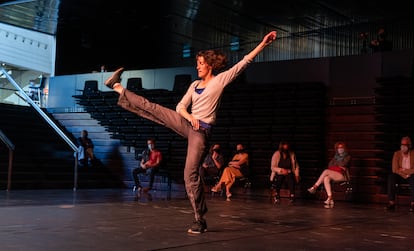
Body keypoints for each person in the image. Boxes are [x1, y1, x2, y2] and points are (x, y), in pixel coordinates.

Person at [103, 30, 277, 234]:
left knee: (190, 173)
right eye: (198, 63)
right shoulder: (194, 85)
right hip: (188, 123)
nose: (198, 67)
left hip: (201, 133)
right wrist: (191, 117)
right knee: (152, 108)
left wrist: (263, 44)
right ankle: (115, 86)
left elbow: (243, 63)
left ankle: (199, 219)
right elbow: (180, 107)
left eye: (201, 63)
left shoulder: (219, 81)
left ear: (209, 65)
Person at [307, 141, 351, 206]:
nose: (340, 149)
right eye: (338, 148)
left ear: (344, 148)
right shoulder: (335, 157)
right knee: (326, 178)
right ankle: (330, 198)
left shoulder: (347, 157)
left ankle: (314, 187)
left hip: (343, 175)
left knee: (326, 171)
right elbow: (330, 165)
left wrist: (337, 165)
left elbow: (343, 163)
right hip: (334, 174)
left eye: (341, 147)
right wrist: (339, 165)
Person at [385, 136, 414, 212]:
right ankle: (391, 203)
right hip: (400, 175)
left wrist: (403, 170)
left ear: (409, 145)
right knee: (391, 177)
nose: (403, 146)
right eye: (402, 144)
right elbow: (394, 169)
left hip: (411, 176)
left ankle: (413, 204)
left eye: (405, 144)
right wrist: (405, 173)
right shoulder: (396, 154)